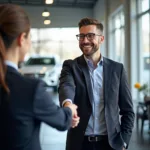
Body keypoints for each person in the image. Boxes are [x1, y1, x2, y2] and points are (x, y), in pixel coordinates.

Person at [0, 4, 79, 150]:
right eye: (30, 37)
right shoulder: (30, 89)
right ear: (22, 38)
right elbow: (62, 121)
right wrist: (70, 109)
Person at [59, 18, 135, 150]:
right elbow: (66, 86)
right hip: (79, 144)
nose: (85, 40)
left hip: (110, 144)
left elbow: (128, 111)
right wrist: (68, 104)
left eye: (90, 36)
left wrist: (123, 142)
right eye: (81, 36)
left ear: (101, 39)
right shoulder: (71, 66)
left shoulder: (117, 69)